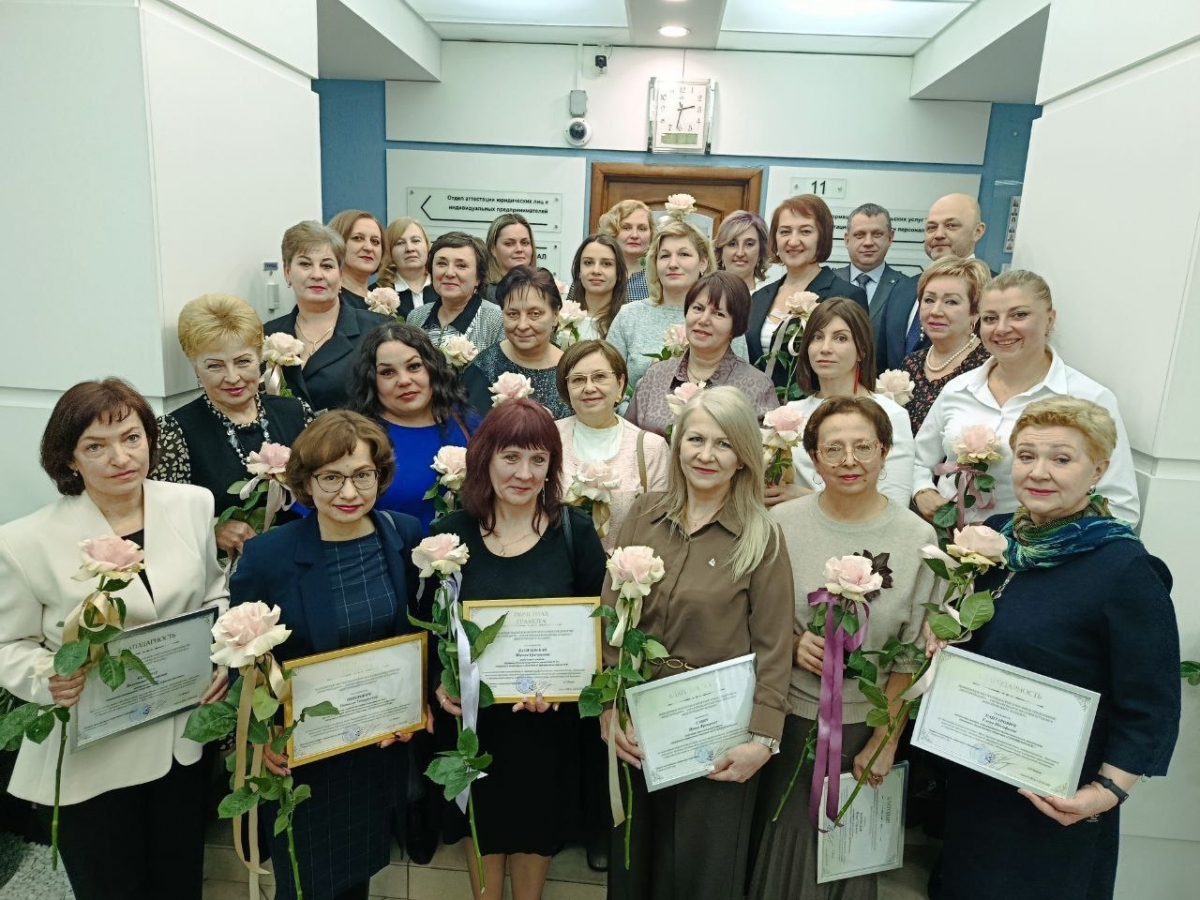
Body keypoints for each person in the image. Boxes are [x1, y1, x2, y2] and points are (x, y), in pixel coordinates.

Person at [936, 397, 1179, 900]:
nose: (1038, 472)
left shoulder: (1123, 568)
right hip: (976, 779)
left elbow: (1150, 700)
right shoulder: (998, 538)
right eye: (1026, 456)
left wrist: (1106, 792)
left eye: (1061, 459)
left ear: (1098, 470)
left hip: (1054, 801)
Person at [0, 379, 227, 900]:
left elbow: (214, 591)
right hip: (93, 749)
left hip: (178, 736)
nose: (120, 457)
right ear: (69, 459)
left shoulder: (192, 504)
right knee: (111, 885)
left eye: (131, 437)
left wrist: (219, 654)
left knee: (178, 880)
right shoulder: (24, 541)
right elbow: (8, 644)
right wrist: (47, 677)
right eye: (95, 446)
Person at [602, 386, 795, 900]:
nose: (706, 455)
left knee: (701, 875)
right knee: (633, 867)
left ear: (744, 457)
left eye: (723, 444)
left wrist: (763, 740)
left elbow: (775, 646)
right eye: (696, 439)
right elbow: (612, 620)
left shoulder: (762, 536)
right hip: (640, 724)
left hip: (719, 735)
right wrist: (610, 709)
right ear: (678, 444)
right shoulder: (643, 514)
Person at [230, 411, 426, 900]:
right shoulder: (269, 556)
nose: (349, 492)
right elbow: (240, 658)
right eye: (331, 477)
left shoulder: (402, 536)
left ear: (380, 475)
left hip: (375, 748)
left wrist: (415, 702)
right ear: (306, 481)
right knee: (306, 883)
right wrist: (263, 736)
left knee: (357, 876)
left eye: (362, 475)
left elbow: (416, 635)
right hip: (304, 758)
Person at [749, 395, 939, 900]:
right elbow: (752, 613)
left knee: (845, 853)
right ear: (812, 455)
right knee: (784, 842)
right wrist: (792, 643)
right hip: (785, 716)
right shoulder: (780, 523)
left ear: (885, 451)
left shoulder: (918, 538)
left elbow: (912, 654)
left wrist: (886, 739)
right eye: (833, 449)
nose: (848, 461)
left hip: (864, 724)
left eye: (863, 447)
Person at [430, 398, 607, 900]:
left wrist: (569, 686)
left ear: (552, 465)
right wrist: (439, 685)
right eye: (510, 457)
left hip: (547, 727)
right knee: (481, 824)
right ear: (484, 458)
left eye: (538, 459)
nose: (524, 474)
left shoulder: (574, 532)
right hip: (475, 724)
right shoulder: (448, 538)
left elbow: (597, 627)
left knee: (536, 826)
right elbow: (430, 630)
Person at [912, 270, 1140, 525]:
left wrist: (1035, 540)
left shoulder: (1088, 398)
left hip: (1032, 546)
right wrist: (923, 491)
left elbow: (1120, 506)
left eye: (1019, 315)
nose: (1001, 329)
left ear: (1050, 320)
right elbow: (917, 459)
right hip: (945, 538)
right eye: (990, 318)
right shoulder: (958, 389)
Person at [153, 294, 314, 556]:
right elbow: (162, 517)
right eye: (215, 366)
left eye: (243, 361)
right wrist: (212, 530)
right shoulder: (173, 432)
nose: (232, 377)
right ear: (195, 369)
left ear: (259, 358)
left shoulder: (297, 413)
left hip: (303, 556)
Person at [765, 298, 914, 510]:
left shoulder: (891, 414)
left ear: (862, 350)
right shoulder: (789, 414)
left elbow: (895, 504)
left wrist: (806, 499)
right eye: (817, 337)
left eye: (840, 338)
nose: (825, 348)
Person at [349, 321, 477, 532]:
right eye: (387, 372)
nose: (404, 380)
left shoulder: (465, 421)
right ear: (372, 380)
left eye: (414, 366)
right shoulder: (357, 437)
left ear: (432, 368)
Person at [606, 218, 750, 392]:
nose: (673, 264)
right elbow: (608, 381)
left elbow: (742, 384)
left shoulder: (725, 316)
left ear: (703, 262)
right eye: (665, 256)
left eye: (684, 254)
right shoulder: (629, 316)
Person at [627, 272, 778, 437]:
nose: (704, 320)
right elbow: (628, 441)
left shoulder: (756, 387)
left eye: (718, 313)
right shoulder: (656, 376)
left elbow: (762, 451)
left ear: (736, 326)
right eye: (698, 308)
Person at [264, 221, 391, 413]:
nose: (317, 275)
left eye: (327, 265)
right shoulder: (267, 333)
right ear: (287, 272)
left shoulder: (378, 330)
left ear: (340, 275)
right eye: (305, 264)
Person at [555, 339, 669, 551]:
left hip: (625, 569)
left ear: (620, 383)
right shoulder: (548, 439)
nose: (589, 388)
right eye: (578, 380)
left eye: (599, 377)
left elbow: (660, 528)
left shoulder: (651, 448)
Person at [748, 195, 868, 390]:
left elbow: (857, 369)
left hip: (817, 403)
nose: (793, 241)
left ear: (822, 237)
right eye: (785, 231)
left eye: (805, 231)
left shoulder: (846, 296)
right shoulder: (759, 297)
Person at [877, 193, 990, 372]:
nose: (938, 235)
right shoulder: (903, 288)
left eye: (951, 226)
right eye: (931, 227)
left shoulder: (994, 291)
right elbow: (881, 362)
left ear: (978, 231)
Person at [462, 265, 573, 419]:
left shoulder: (571, 372)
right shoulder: (484, 367)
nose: (522, 325)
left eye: (535, 314)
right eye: (512, 314)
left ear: (555, 315)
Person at [900, 256, 992, 434]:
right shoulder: (911, 363)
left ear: (975, 311)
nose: (935, 311)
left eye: (951, 302)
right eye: (929, 300)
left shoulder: (988, 366)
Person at [407, 231, 504, 352]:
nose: (449, 273)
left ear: (478, 277)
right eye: (442, 264)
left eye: (461, 265)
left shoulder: (497, 321)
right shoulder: (416, 317)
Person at [833, 202, 908, 328]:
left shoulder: (906, 288)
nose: (868, 242)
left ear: (890, 237)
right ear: (847, 240)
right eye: (859, 235)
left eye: (877, 234)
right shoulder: (827, 282)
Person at [567, 233, 628, 340]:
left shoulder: (628, 322)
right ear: (578, 271)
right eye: (588, 263)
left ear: (618, 273)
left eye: (606, 264)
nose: (596, 271)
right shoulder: (561, 318)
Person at [377, 217, 438, 317]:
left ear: (427, 246)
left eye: (416, 241)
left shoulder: (444, 288)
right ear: (389, 251)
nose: (409, 248)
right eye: (400, 243)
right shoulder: (376, 296)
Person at [598, 199, 656, 302]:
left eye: (642, 228)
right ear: (612, 231)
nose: (634, 235)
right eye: (626, 228)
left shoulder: (659, 278)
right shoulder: (594, 273)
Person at [328, 209, 385, 310]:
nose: (369, 248)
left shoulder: (383, 303)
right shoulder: (328, 301)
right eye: (358, 238)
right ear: (337, 243)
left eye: (375, 241)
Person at [715, 209, 770, 294]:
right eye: (732, 244)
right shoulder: (704, 295)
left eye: (749, 244)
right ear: (721, 250)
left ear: (761, 251)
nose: (740, 253)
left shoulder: (772, 298)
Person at [485, 213, 537, 299]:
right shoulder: (482, 294)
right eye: (509, 243)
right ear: (493, 249)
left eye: (525, 243)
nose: (519, 249)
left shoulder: (544, 290)